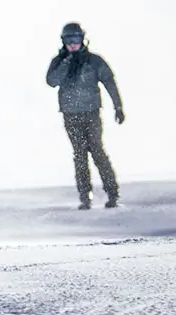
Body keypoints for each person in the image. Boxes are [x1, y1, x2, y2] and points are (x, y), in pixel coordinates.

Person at [46, 22, 125, 210]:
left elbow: (109, 82)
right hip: (70, 115)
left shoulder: (94, 61)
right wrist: (66, 62)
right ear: (63, 41)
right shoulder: (58, 62)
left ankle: (112, 193)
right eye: (68, 40)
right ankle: (84, 196)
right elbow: (51, 81)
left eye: (76, 39)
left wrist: (118, 106)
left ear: (83, 39)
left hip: (91, 113)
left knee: (97, 151)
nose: (73, 43)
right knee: (79, 154)